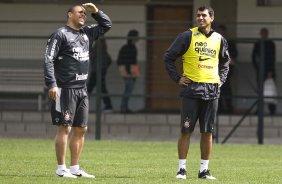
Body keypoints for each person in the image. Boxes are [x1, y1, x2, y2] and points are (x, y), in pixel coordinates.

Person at [44, 3, 111, 178]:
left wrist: (96, 11)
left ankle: (75, 168)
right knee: (64, 128)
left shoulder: (87, 33)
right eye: (80, 12)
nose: (84, 15)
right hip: (64, 89)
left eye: (85, 13)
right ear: (69, 15)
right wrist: (51, 84)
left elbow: (106, 25)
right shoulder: (60, 34)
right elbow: (48, 60)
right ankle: (61, 169)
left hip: (82, 89)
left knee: (81, 129)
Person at [164, 6, 230, 180]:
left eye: (204, 15)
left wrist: (221, 79)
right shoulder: (187, 36)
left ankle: (204, 170)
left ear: (212, 18)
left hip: (212, 91)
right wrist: (177, 78)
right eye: (198, 15)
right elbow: (168, 57)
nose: (200, 18)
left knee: (208, 132)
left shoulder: (219, 39)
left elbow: (225, 62)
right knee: (186, 131)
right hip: (191, 90)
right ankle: (181, 169)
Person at [252, 27, 276, 115]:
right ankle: (259, 110)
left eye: (265, 33)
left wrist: (270, 71)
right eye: (262, 33)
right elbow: (253, 57)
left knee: (269, 90)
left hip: (269, 71)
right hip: (260, 70)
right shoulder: (258, 44)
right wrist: (257, 68)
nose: (263, 35)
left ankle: (272, 110)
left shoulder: (270, 44)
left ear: (267, 34)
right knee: (260, 91)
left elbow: (271, 58)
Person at [87, 38, 113, 112]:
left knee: (89, 89)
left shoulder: (96, 49)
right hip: (102, 72)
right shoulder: (104, 50)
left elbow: (91, 57)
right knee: (102, 89)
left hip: (95, 72)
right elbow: (109, 60)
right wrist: (104, 68)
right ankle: (108, 106)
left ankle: (81, 106)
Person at [216, 25, 238, 114]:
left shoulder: (230, 43)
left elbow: (234, 54)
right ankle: (220, 108)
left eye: (222, 32)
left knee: (227, 89)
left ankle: (228, 107)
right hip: (216, 70)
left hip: (226, 71)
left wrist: (230, 59)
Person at [117, 29, 139, 113]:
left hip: (129, 71)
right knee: (128, 90)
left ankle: (124, 107)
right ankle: (124, 107)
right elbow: (129, 61)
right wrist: (129, 71)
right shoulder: (130, 48)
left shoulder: (127, 47)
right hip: (129, 72)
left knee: (128, 90)